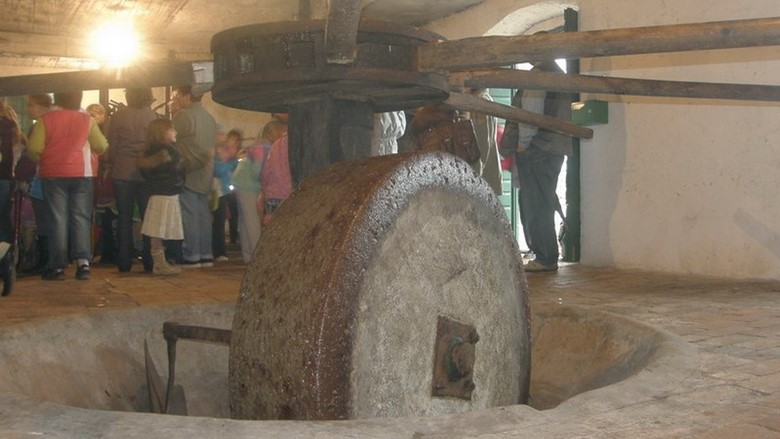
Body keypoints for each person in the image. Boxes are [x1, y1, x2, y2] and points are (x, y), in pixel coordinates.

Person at [500, 59, 573, 273]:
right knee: (544, 200)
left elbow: (529, 116)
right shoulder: (560, 76)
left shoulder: (539, 76)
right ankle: (545, 254)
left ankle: (545, 256)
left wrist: (522, 145)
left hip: (538, 149)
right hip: (554, 149)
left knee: (536, 205)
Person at [27, 91, 109, 280]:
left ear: (57, 99)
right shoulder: (87, 120)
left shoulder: (45, 120)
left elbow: (33, 148)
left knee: (58, 218)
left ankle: (57, 267)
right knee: (80, 217)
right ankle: (83, 264)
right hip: (82, 173)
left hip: (53, 174)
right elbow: (101, 146)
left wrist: (44, 159)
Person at [106, 88, 158, 272]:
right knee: (148, 217)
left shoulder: (118, 116)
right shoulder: (152, 116)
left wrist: (111, 161)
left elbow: (111, 145)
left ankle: (124, 260)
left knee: (124, 217)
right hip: (146, 174)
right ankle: (149, 260)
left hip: (122, 172)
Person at [171, 85, 218, 268]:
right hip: (205, 170)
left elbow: (170, 139)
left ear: (186, 96)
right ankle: (206, 254)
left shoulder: (182, 116)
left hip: (187, 170)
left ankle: (192, 255)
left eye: (177, 95)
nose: (175, 99)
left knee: (189, 213)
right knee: (203, 213)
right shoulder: (209, 118)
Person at [137, 118, 184, 275]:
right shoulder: (169, 152)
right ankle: (160, 264)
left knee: (158, 228)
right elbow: (178, 170)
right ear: (162, 133)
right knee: (160, 229)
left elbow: (147, 172)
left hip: (158, 192)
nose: (175, 132)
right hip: (167, 192)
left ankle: (159, 262)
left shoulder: (150, 153)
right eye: (171, 129)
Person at [232, 121, 281, 263]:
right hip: (249, 185)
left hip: (240, 182)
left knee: (245, 220)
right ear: (272, 134)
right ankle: (256, 257)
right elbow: (256, 171)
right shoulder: (265, 147)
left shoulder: (259, 145)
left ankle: (248, 255)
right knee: (253, 220)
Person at [212, 129, 240, 262]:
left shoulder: (228, 156)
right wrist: (227, 161)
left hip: (226, 191)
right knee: (218, 222)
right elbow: (217, 170)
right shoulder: (216, 153)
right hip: (217, 192)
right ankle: (218, 251)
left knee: (227, 218)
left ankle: (228, 244)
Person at [0, 101, 25, 249]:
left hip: (3, 176)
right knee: (3, 216)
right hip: (5, 176)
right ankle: (5, 257)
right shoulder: (10, 128)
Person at [260, 118, 289, 225]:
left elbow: (266, 172)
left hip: (274, 197)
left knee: (274, 230)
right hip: (291, 195)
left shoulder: (275, 146)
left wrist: (264, 190)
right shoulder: (297, 142)